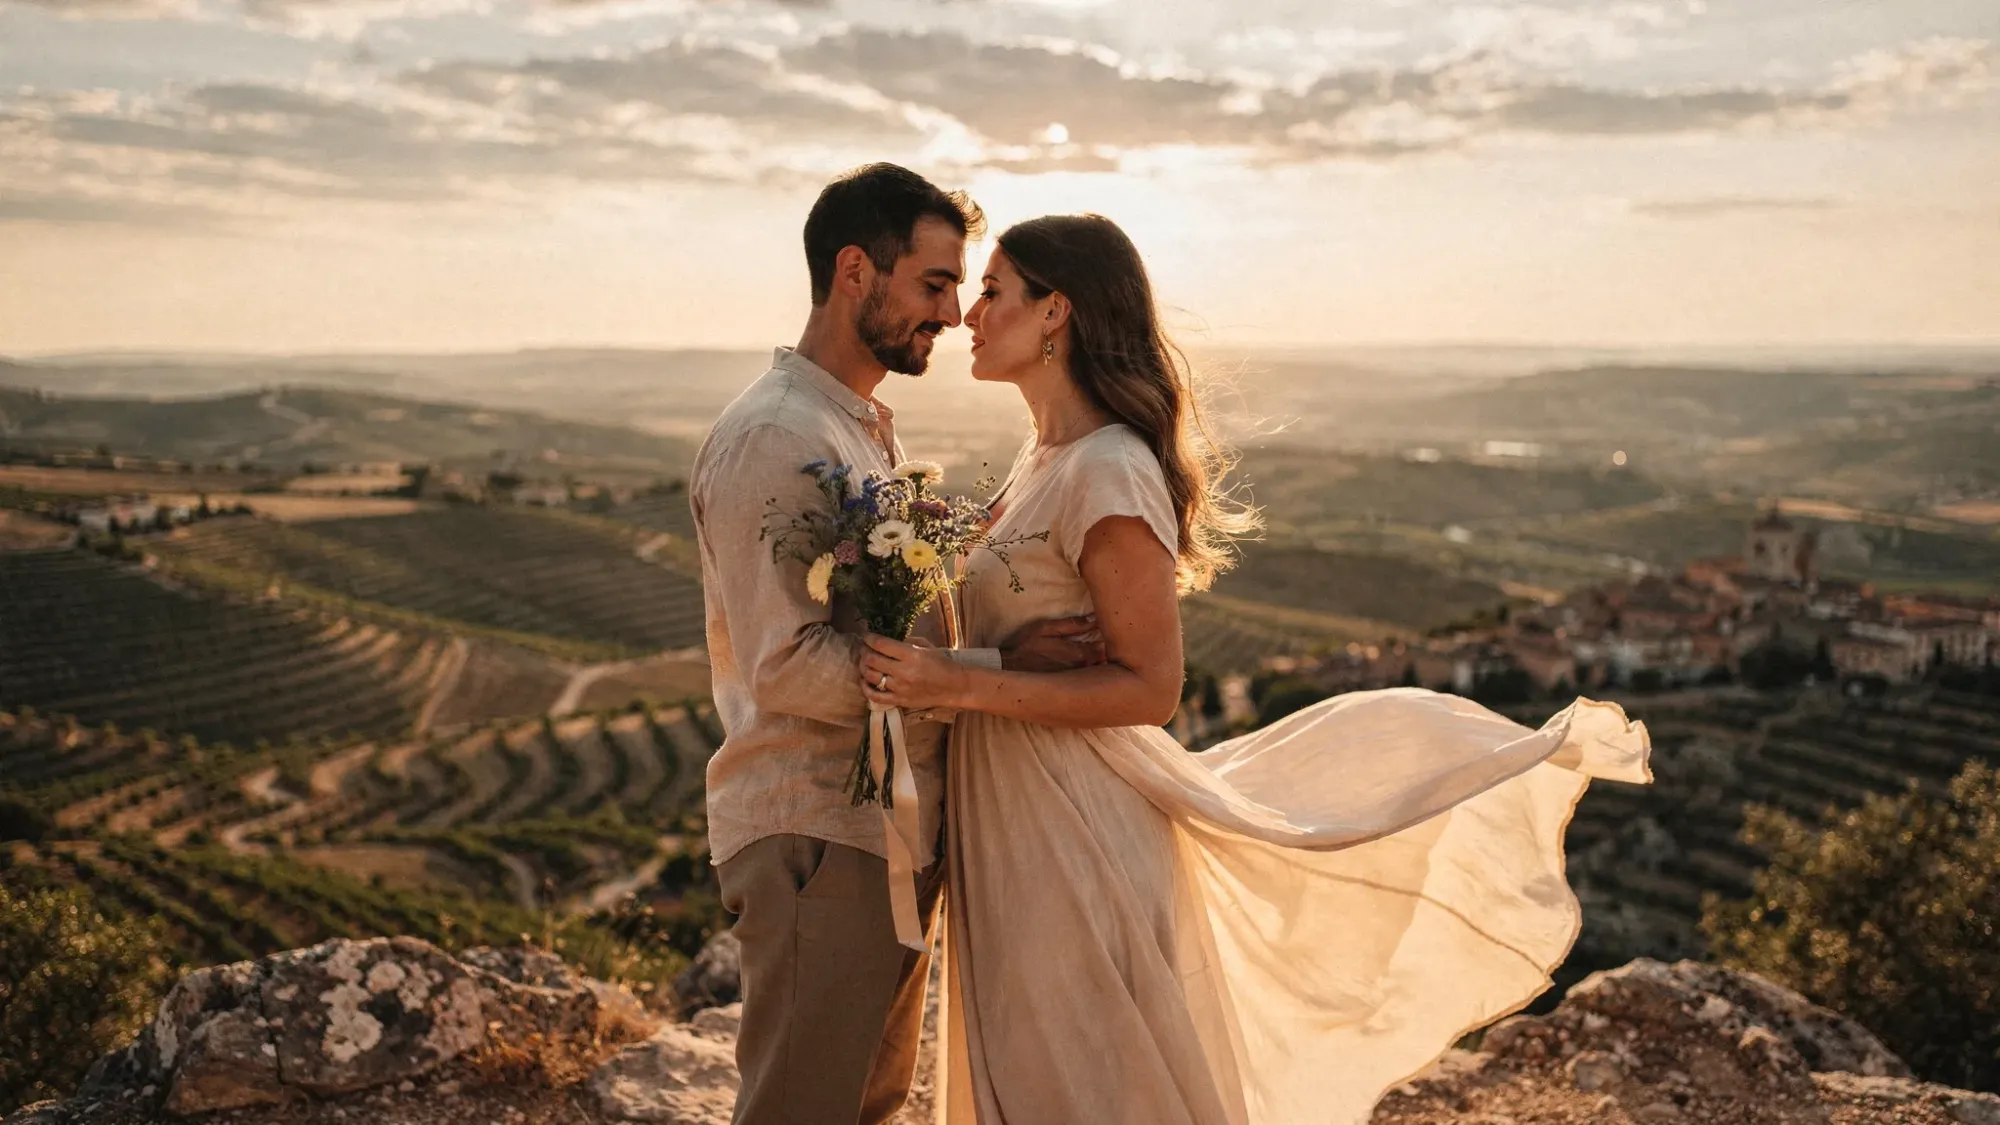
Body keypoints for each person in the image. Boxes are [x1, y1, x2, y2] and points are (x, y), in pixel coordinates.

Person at [858, 213, 1653, 1124]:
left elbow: (1151, 688)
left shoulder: (1110, 469)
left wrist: (956, 681)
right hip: (1013, 808)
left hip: (1071, 821)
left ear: (1055, 314)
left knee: (1076, 1080)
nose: (969, 313)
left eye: (994, 291)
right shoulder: (1044, 457)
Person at [687, 164, 1103, 1125]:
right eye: (933, 283)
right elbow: (786, 667)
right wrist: (988, 674)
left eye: (961, 287)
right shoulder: (776, 436)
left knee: (864, 1108)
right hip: (818, 841)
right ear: (853, 272)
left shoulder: (850, 426)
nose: (955, 312)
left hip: (878, 840)